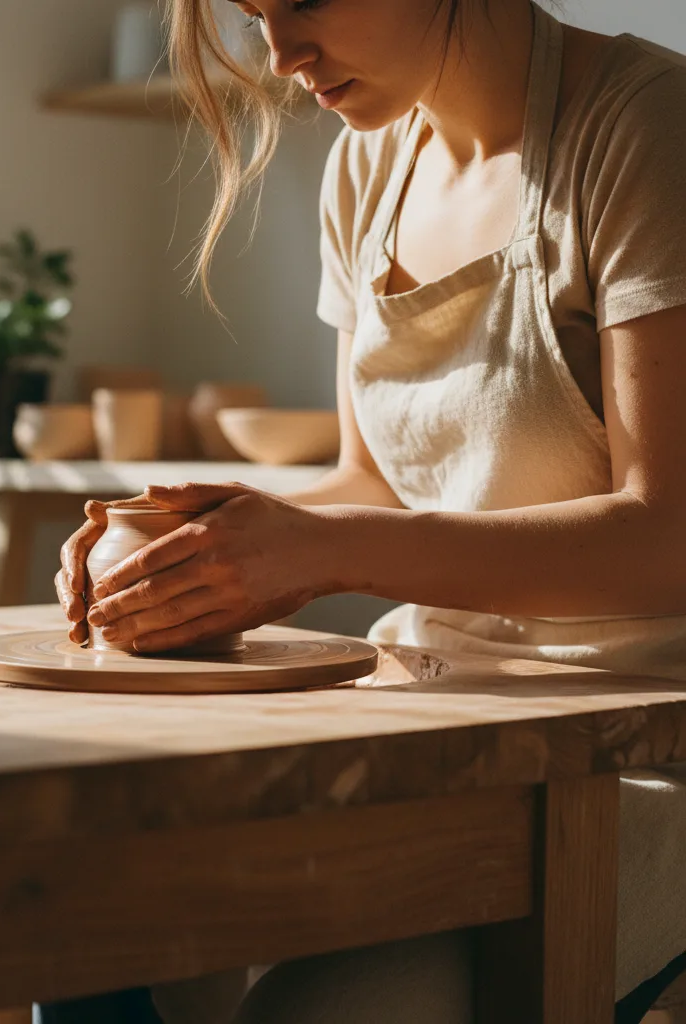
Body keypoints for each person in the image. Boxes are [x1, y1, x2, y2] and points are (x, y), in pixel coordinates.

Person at [53, 0, 686, 1019]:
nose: (280, 55)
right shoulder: (367, 167)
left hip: (636, 749)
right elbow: (375, 482)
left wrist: (322, 550)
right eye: (256, 13)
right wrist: (201, 543)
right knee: (77, 915)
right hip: (437, 718)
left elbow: (669, 535)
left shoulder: (645, 125)